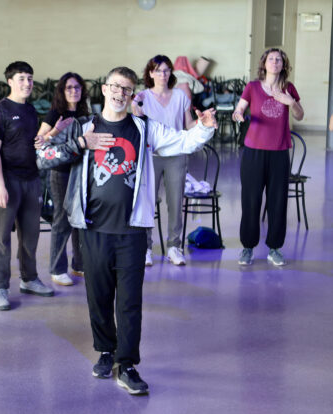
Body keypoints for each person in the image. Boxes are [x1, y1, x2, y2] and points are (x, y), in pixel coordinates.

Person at [36, 66, 216, 395]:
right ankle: (106, 351)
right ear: (104, 89)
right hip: (93, 229)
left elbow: (182, 141)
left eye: (127, 89)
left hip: (132, 231)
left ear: (133, 95)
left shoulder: (144, 128)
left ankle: (127, 364)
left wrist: (204, 128)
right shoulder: (82, 126)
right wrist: (81, 143)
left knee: (130, 301)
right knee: (99, 297)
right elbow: (42, 157)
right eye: (116, 87)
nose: (121, 93)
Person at [0, 61, 53, 310]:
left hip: (31, 178)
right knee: (1, 237)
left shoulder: (30, 110)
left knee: (30, 235)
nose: (27, 83)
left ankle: (29, 279)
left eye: (30, 78)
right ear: (10, 82)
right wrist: (0, 186)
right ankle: (0, 288)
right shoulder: (1, 110)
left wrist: (42, 140)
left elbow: (29, 142)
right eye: (22, 78)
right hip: (7, 180)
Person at [232, 48, 304, 266]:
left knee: (278, 202)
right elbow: (239, 110)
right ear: (264, 64)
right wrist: (238, 115)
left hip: (279, 153)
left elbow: (300, 115)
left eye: (278, 59)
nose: (274, 62)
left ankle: (274, 248)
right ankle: (247, 247)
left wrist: (290, 102)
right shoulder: (252, 87)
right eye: (271, 59)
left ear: (283, 65)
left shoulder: (289, 88)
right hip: (254, 152)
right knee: (251, 200)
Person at [132, 55, 196, 266]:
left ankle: (174, 247)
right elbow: (137, 126)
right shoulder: (142, 97)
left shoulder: (180, 96)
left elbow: (188, 124)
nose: (163, 74)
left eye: (167, 70)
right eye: (158, 70)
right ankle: (145, 248)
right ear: (150, 73)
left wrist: (202, 123)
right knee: (147, 203)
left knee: (176, 202)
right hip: (150, 156)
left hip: (176, 155)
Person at [36, 72, 89, 286]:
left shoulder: (85, 113)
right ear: (62, 91)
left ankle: (80, 265)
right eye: (69, 87)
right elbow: (38, 142)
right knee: (62, 219)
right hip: (60, 171)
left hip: (81, 171)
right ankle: (57, 269)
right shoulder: (55, 114)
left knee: (80, 218)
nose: (74, 91)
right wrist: (55, 131)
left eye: (77, 87)